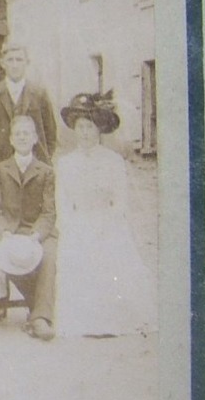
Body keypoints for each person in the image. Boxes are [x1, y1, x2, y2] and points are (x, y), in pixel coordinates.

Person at [53, 92, 154, 337]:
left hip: (107, 221)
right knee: (76, 254)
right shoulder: (66, 164)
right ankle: (83, 322)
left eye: (90, 127)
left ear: (99, 130)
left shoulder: (113, 161)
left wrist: (109, 223)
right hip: (78, 222)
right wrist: (68, 226)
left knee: (113, 256)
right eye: (81, 127)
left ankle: (114, 320)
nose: (85, 132)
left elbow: (120, 200)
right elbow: (63, 202)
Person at [0, 115, 59, 342]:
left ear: (35, 138)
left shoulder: (46, 171)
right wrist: (3, 233)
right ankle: (36, 306)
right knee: (4, 254)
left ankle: (40, 318)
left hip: (37, 230)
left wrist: (36, 235)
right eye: (17, 133)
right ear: (10, 139)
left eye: (26, 133)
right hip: (10, 230)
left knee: (48, 255)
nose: (21, 137)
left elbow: (49, 212)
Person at [0, 41, 58, 170]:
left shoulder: (39, 93)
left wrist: (42, 157)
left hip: (34, 164)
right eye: (10, 60)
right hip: (0, 165)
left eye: (19, 60)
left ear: (27, 62)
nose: (15, 65)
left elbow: (50, 133)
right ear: (2, 63)